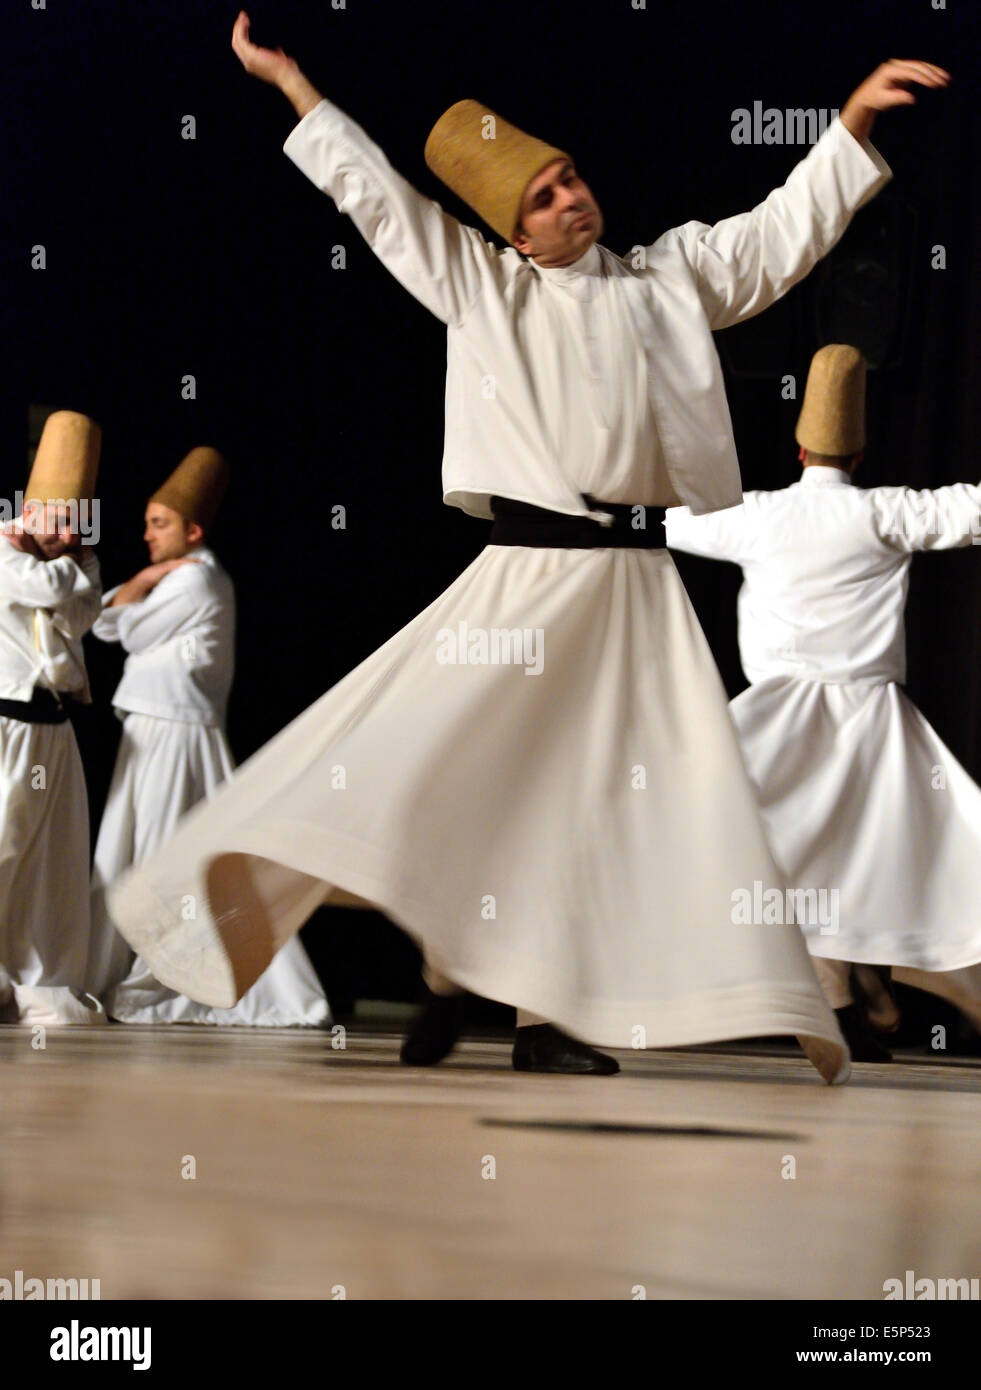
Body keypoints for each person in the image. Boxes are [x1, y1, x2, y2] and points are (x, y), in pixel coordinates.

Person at [105, 16, 947, 1082]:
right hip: (528, 579)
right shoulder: (484, 290)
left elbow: (777, 236)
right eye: (543, 195)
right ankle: (455, 975)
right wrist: (291, 85)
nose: (571, 197)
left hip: (635, 590)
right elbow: (377, 201)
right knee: (438, 765)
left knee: (595, 803)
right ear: (513, 232)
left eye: (571, 177)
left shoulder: (668, 281)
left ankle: (536, 1015)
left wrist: (853, 123)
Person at [666, 344, 981, 1060]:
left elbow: (662, 522)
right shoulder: (883, 514)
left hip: (778, 717)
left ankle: (846, 997)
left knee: (753, 850)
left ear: (798, 446)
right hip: (869, 721)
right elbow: (970, 510)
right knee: (871, 859)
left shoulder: (756, 515)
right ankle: (861, 993)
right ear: (861, 452)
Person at [88, 447, 329, 1026]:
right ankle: (140, 968)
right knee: (136, 846)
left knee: (164, 851)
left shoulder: (196, 582)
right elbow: (102, 622)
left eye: (160, 524)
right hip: (154, 723)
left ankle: (168, 976)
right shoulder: (179, 579)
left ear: (192, 530)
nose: (147, 535)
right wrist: (146, 579)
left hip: (175, 727)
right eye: (146, 523)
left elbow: (124, 632)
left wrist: (141, 587)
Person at [0, 410, 105, 1026]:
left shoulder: (66, 563)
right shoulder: (4, 551)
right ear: (29, 512)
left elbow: (82, 613)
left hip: (54, 730)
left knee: (52, 864)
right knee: (3, 848)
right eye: (59, 523)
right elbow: (45, 591)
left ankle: (43, 981)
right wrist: (73, 564)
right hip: (6, 727)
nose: (69, 536)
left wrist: (76, 562)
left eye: (77, 526)